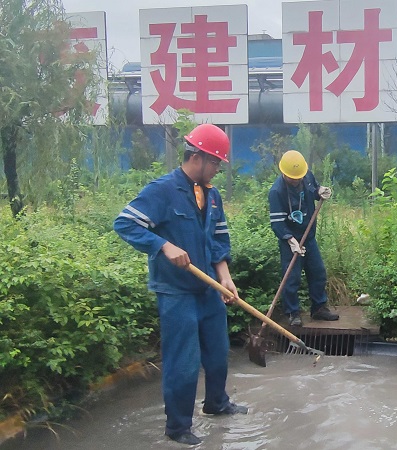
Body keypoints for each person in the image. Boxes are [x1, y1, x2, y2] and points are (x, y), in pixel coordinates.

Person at [114, 123, 247, 446]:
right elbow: (125, 223)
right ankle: (178, 426)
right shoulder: (162, 191)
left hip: (208, 290)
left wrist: (225, 277)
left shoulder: (212, 196)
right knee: (183, 361)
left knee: (217, 352)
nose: (216, 170)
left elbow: (217, 239)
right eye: (215, 163)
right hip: (176, 293)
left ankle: (216, 403)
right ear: (198, 157)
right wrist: (163, 245)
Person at [268, 150, 339, 327]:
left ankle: (319, 308)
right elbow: (277, 223)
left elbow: (314, 190)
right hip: (290, 240)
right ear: (283, 173)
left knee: (318, 271)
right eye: (293, 178)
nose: (297, 180)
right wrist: (291, 241)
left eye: (299, 177)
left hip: (308, 236)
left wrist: (321, 191)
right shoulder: (276, 192)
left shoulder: (306, 175)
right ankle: (292, 312)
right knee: (291, 277)